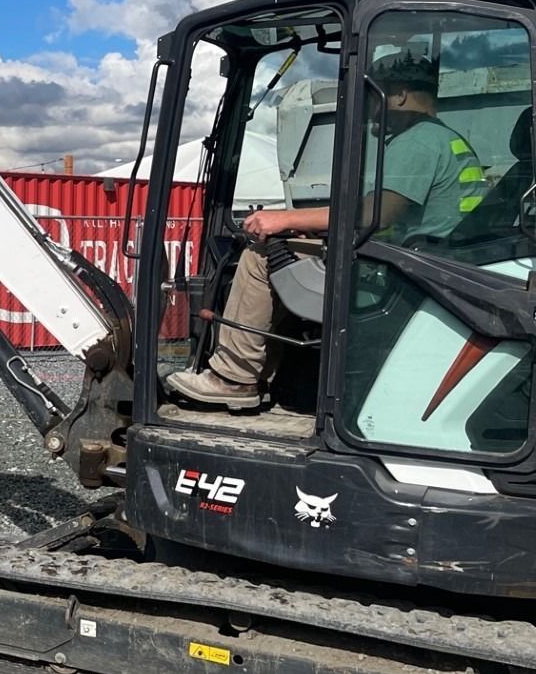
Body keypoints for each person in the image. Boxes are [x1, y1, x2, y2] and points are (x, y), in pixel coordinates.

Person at [167, 52, 485, 409]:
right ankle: (263, 379)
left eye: (374, 99)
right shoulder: (445, 139)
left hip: (401, 275)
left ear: (397, 96)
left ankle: (233, 377)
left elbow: (373, 215)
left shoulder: (418, 141)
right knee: (290, 255)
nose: (371, 111)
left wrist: (285, 219)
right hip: (427, 261)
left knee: (261, 256)